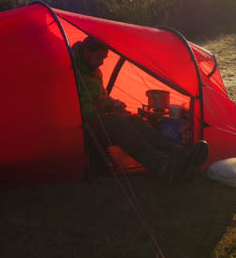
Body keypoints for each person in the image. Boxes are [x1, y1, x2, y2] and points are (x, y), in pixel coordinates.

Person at [72, 36, 208, 184]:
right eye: (99, 57)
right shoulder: (71, 71)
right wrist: (100, 107)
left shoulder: (96, 72)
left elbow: (101, 99)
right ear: (86, 52)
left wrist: (113, 106)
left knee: (134, 119)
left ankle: (180, 154)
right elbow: (72, 112)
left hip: (100, 121)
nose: (102, 62)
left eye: (104, 58)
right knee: (115, 121)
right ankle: (161, 166)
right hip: (81, 131)